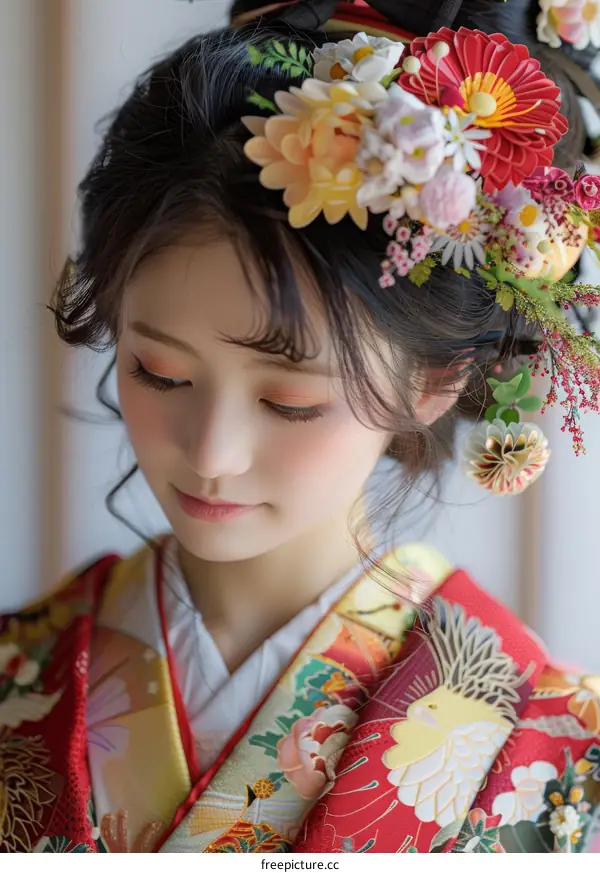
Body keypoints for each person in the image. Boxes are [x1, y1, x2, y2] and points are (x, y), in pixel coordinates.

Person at [1, 0, 600, 855]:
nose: (211, 454)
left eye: (290, 401)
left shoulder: (561, 752)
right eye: (158, 373)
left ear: (435, 379)